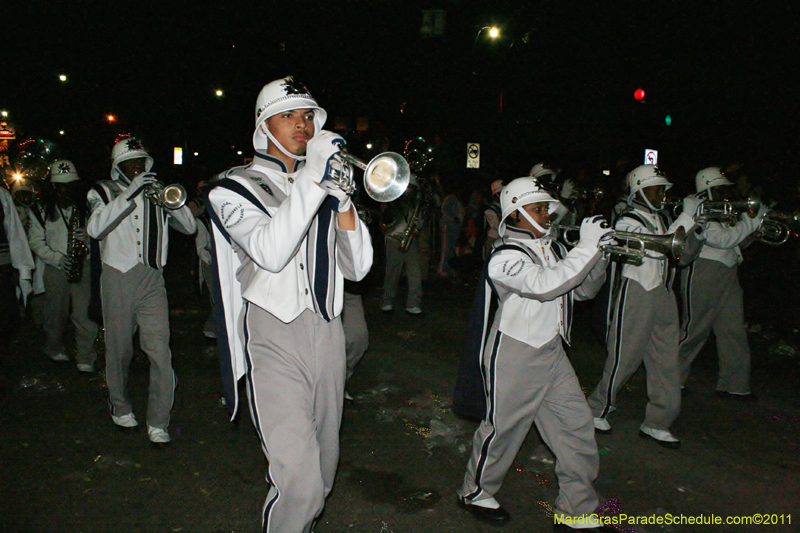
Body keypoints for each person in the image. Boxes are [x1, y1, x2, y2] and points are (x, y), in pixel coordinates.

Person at [206, 76, 373, 533]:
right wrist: (315, 183)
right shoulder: (232, 188)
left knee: (324, 467)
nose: (302, 125)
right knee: (297, 483)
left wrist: (343, 205)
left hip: (327, 331)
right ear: (264, 126)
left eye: (308, 117)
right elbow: (271, 251)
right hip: (273, 334)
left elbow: (357, 269)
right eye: (289, 116)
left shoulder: (318, 185)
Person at [457, 177, 613, 530]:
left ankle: (575, 507)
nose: (547, 215)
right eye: (538, 208)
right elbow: (544, 287)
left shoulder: (554, 248)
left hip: (552, 351)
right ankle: (474, 491)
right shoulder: (505, 256)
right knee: (503, 431)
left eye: (547, 208)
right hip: (514, 352)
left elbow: (584, 291)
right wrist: (585, 249)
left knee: (576, 427)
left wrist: (598, 254)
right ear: (514, 214)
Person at [87, 138, 197, 445]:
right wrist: (132, 192)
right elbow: (95, 230)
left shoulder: (157, 191)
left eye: (143, 162)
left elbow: (189, 228)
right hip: (118, 276)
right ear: (117, 166)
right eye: (132, 162)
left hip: (152, 277)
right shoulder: (102, 191)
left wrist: (169, 202)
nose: (139, 167)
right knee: (120, 350)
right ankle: (119, 404)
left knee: (160, 351)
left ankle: (159, 419)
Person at [587, 164, 703, 449]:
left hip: (662, 293)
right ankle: (596, 409)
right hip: (637, 290)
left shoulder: (663, 218)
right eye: (655, 189)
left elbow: (682, 256)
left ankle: (658, 422)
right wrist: (686, 218)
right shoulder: (627, 219)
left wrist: (697, 229)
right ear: (639, 190)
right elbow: (652, 247)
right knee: (624, 356)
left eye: (662, 189)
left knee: (667, 361)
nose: (662, 194)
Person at [677, 167, 766, 400]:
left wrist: (750, 233)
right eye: (720, 188)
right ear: (707, 187)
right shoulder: (700, 206)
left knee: (733, 330)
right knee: (694, 331)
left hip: (728, 270)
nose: (725, 192)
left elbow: (733, 242)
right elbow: (721, 239)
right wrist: (752, 221)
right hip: (704, 270)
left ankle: (735, 385)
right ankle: (671, 380)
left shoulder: (722, 208)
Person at [28, 160, 98, 371]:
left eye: (69, 185)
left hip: (83, 266)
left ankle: (86, 356)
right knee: (55, 313)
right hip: (56, 268)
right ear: (53, 186)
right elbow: (35, 241)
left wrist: (89, 237)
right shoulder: (39, 210)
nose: (65, 190)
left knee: (84, 314)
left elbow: (102, 233)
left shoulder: (89, 207)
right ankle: (54, 347)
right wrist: (56, 258)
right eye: (61, 185)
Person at [0, 184, 35, 365]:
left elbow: (14, 233)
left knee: (7, 318)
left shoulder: (2, 195)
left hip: (2, 269)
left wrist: (24, 274)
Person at [381, 176, 425, 314]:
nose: (410, 191)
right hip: (394, 240)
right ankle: (387, 301)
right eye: (408, 188)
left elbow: (419, 224)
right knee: (393, 273)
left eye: (412, 188)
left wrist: (418, 224)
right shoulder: (392, 203)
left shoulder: (414, 204)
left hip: (409, 241)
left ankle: (413, 304)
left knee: (415, 273)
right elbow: (385, 224)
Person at [482, 179, 503, 260]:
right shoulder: (491, 209)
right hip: (494, 238)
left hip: (503, 238)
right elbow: (496, 225)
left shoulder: (504, 207)